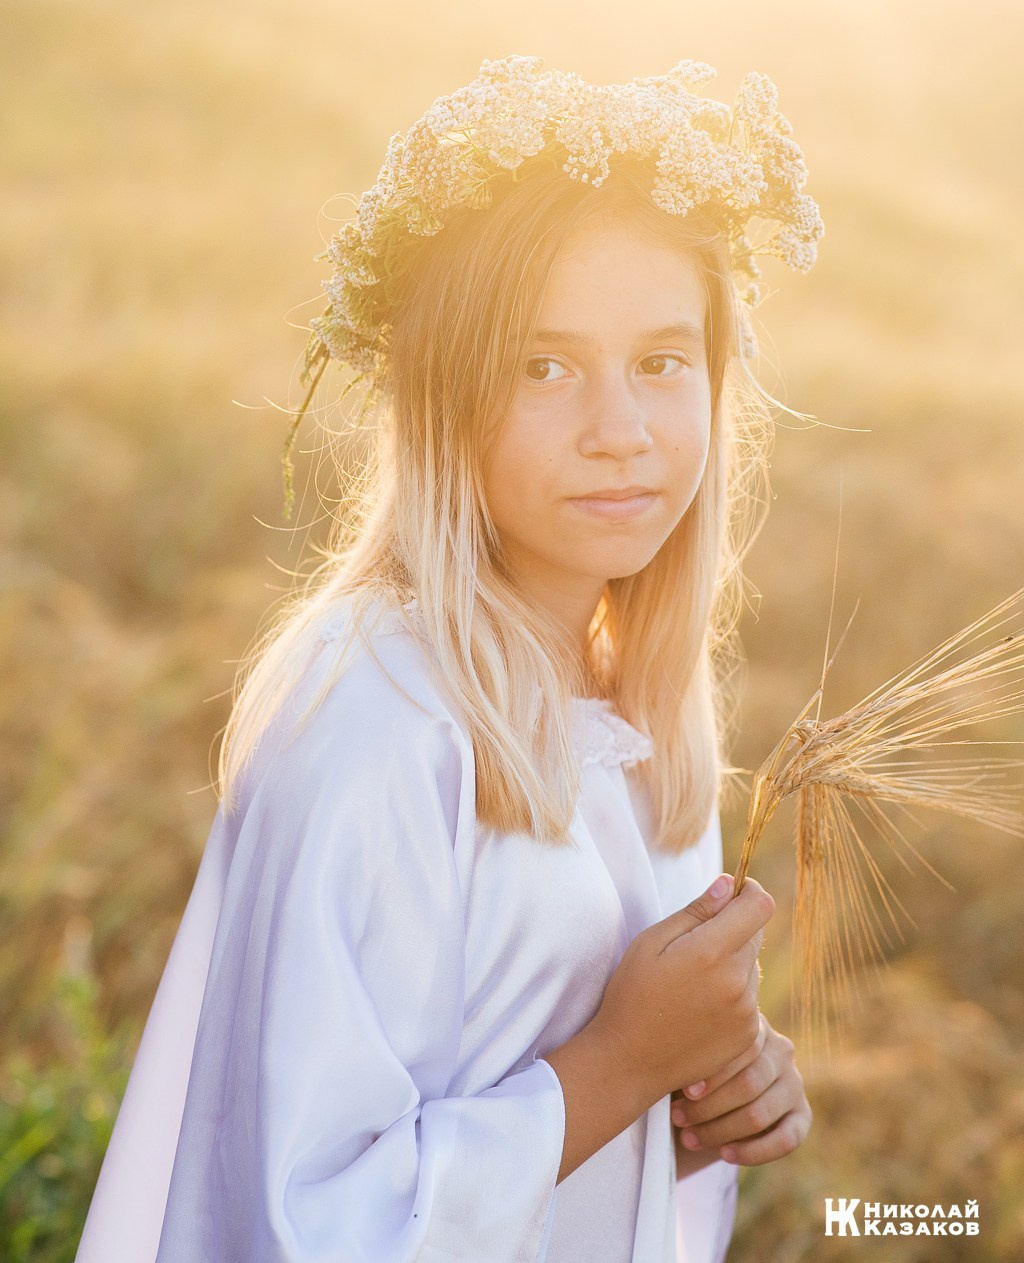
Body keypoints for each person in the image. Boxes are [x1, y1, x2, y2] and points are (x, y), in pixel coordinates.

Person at [76, 56, 821, 1263]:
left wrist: (691, 1106)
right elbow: (303, 1216)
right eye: (544, 367)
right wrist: (621, 1061)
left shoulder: (623, 698)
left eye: (662, 361)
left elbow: (550, 1129)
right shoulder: (383, 719)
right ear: (441, 398)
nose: (619, 430)